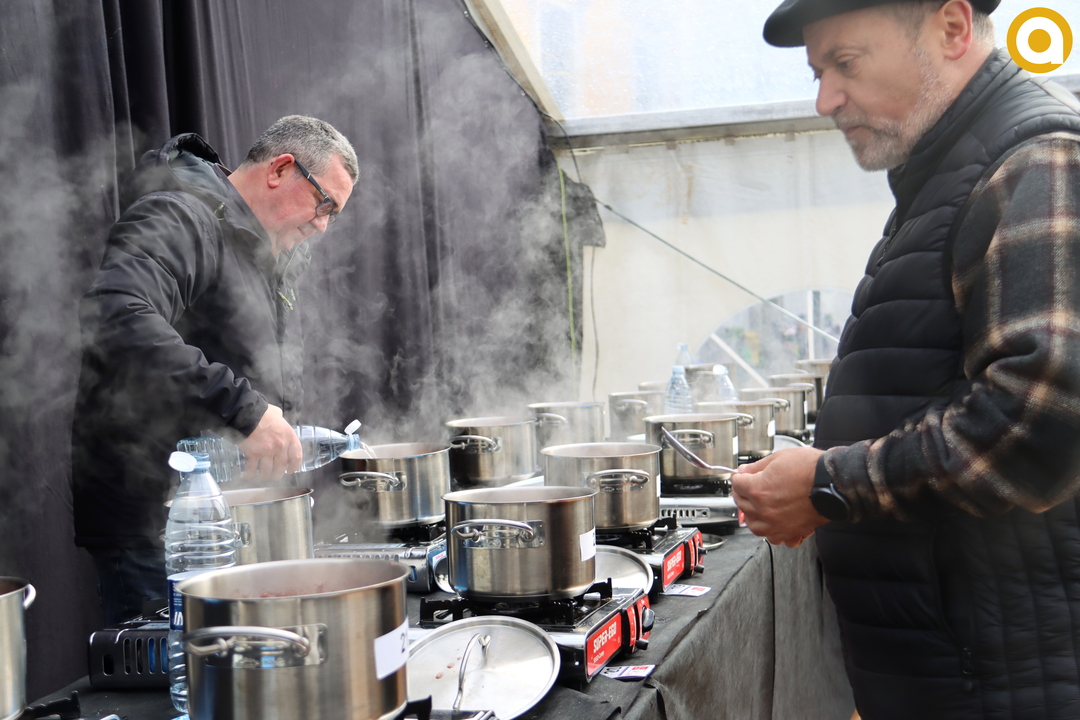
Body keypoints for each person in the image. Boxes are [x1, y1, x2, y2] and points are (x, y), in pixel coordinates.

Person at [732, 1, 1080, 717]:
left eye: (845, 64)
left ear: (951, 28)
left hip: (1008, 683)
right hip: (957, 670)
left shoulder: (1037, 160)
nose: (825, 99)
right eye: (818, 73)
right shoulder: (949, 174)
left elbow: (1040, 427)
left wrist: (829, 484)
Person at [71, 115, 358, 625]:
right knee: (181, 675)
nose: (322, 225)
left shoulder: (264, 252)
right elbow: (116, 316)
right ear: (280, 170)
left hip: (223, 525)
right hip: (161, 529)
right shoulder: (181, 215)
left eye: (332, 216)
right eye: (324, 204)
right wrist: (242, 408)